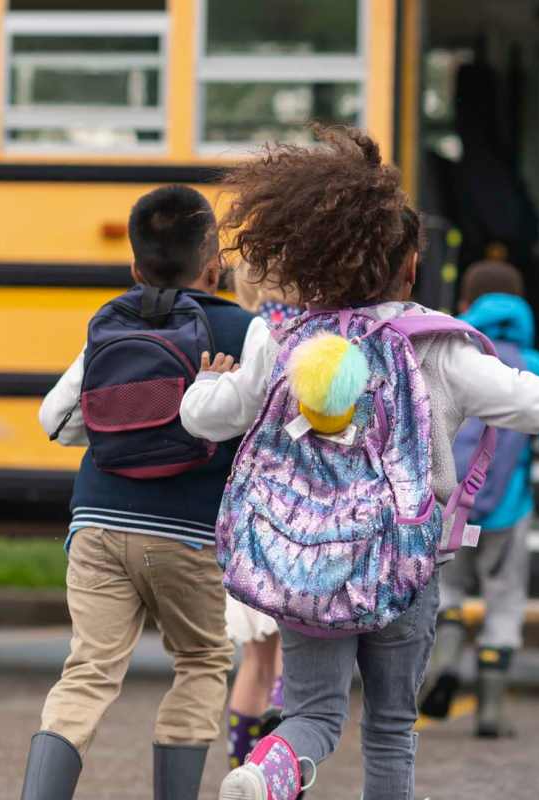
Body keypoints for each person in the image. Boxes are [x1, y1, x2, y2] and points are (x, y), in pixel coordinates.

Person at [180, 126, 539, 800]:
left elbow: (207, 417)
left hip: (304, 565)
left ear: (311, 263)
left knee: (313, 714)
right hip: (401, 570)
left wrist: (206, 386)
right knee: (389, 726)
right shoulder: (438, 348)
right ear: (411, 266)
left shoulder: (278, 335)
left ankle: (271, 771)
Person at [22, 186, 252, 800]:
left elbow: (56, 420)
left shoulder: (111, 321)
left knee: (89, 671)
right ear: (214, 262)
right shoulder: (241, 329)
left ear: (133, 264)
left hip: (95, 522)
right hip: (190, 534)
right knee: (201, 661)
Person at [418, 260, 539, 739]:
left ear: (466, 306)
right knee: (504, 600)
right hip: (507, 509)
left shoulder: (451, 356)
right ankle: (489, 710)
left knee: (448, 592)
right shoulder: (535, 364)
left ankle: (444, 656)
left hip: (447, 506)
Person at [221, 263, 300, 771]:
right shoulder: (306, 337)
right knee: (295, 662)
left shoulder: (240, 337)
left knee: (255, 657)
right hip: (298, 517)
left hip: (246, 517)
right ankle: (277, 770)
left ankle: (239, 767)